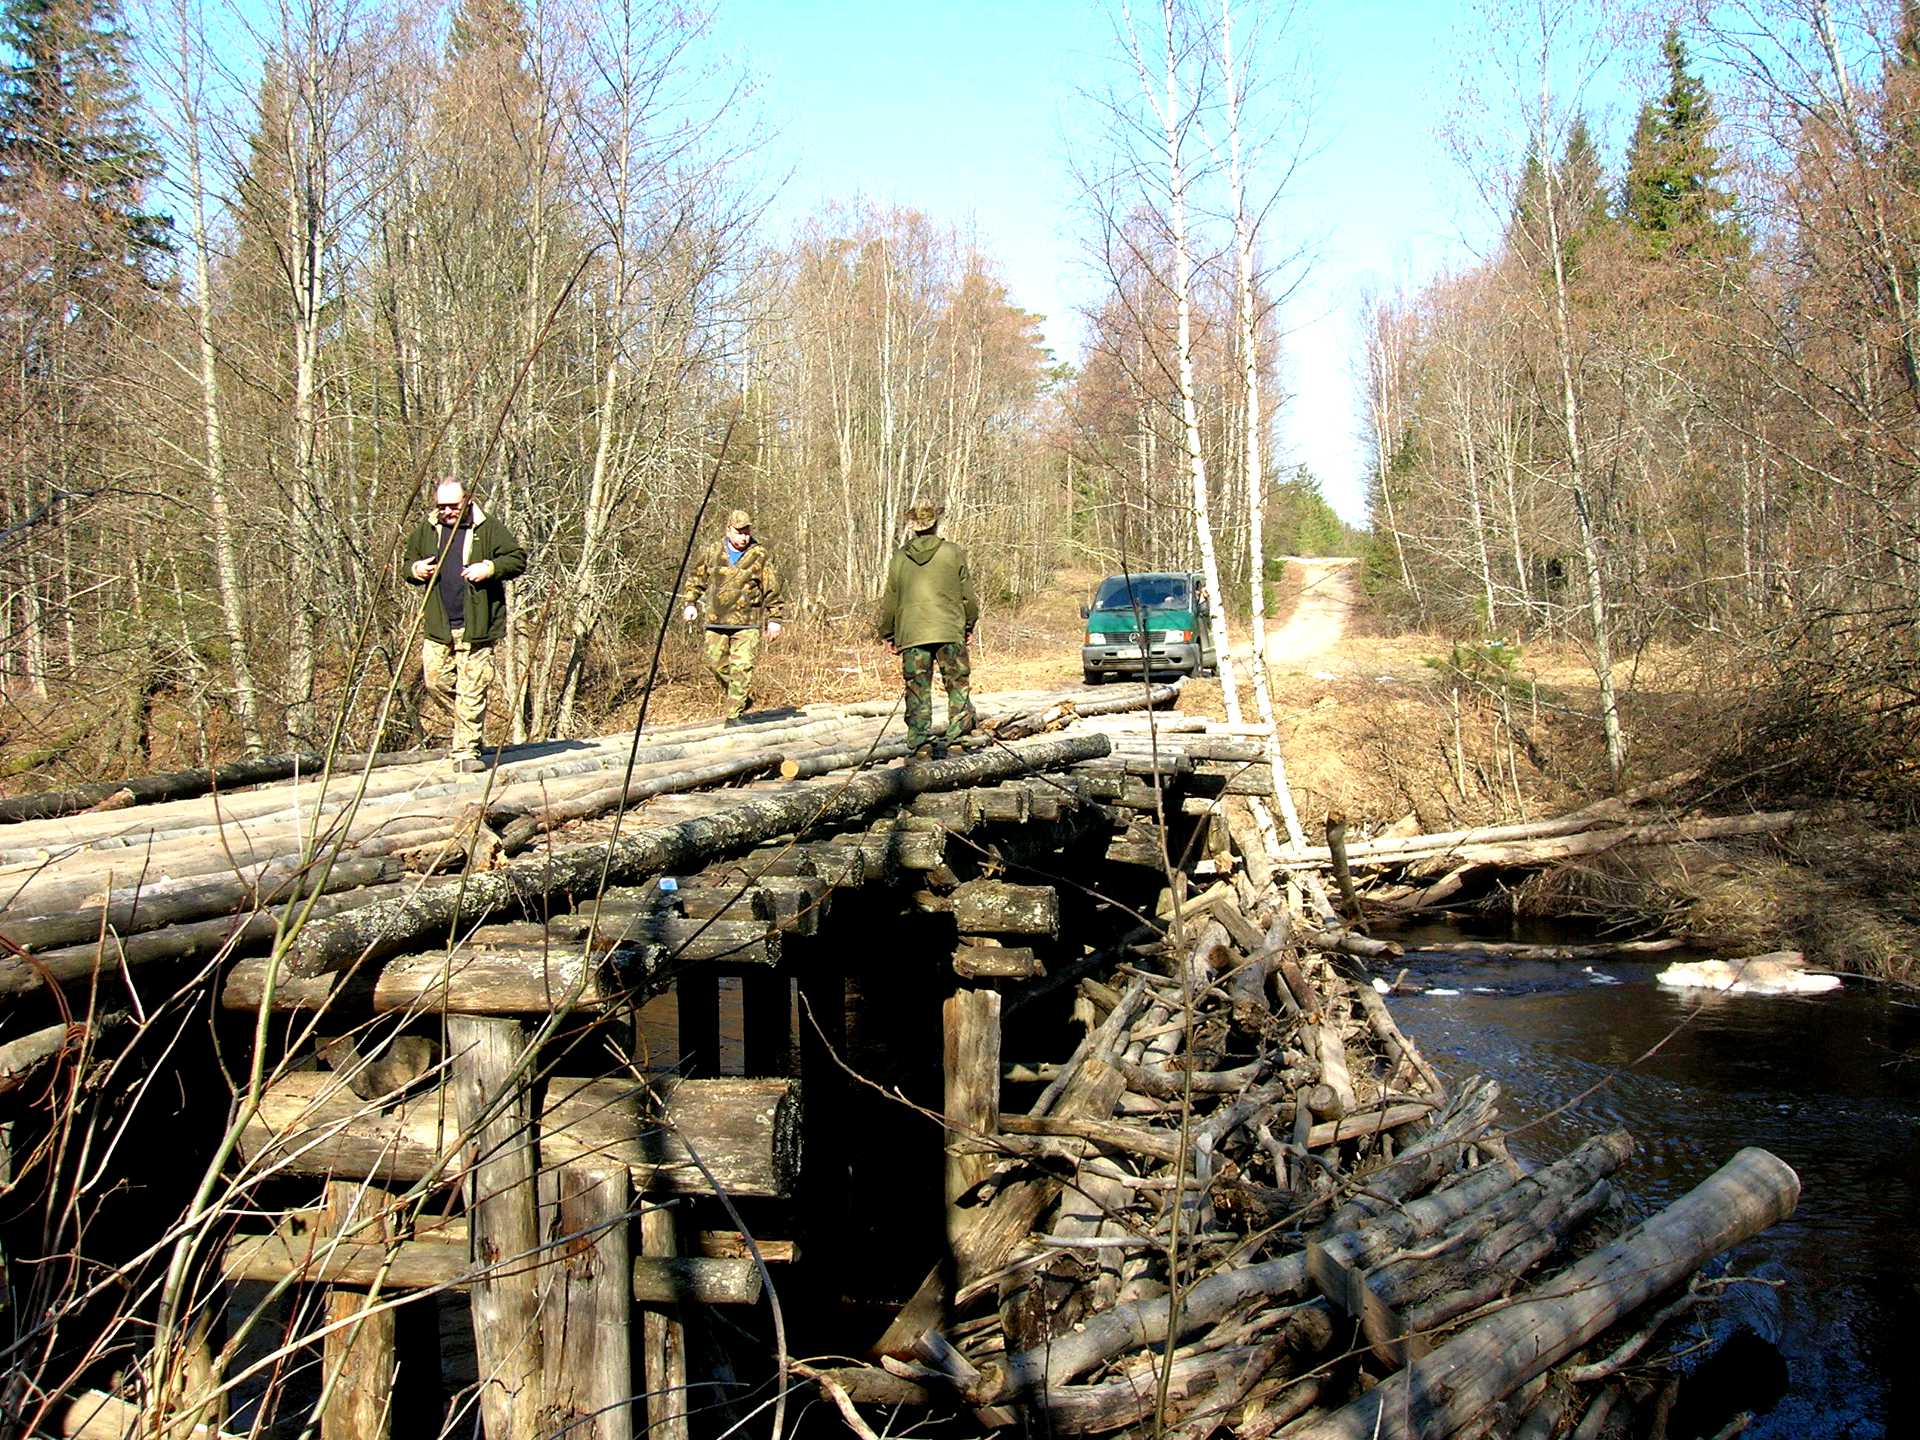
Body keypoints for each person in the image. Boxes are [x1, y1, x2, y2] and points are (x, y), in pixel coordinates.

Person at [404, 479, 527, 772]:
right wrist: (416, 569)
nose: (446, 511)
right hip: (439, 622)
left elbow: (517, 559)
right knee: (436, 680)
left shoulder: (487, 528)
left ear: (467, 500)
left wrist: (490, 568)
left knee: (472, 687)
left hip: (477, 623)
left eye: (453, 506)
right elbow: (407, 562)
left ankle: (465, 752)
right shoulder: (428, 530)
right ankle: (469, 733)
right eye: (441, 506)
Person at [876, 498, 979, 759]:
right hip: (948, 629)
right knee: (957, 685)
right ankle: (958, 740)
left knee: (917, 688)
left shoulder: (899, 558)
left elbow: (890, 599)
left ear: (913, 526)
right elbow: (968, 596)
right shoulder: (952, 552)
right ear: (936, 523)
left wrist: (888, 633)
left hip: (913, 633)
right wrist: (968, 625)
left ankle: (921, 744)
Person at [682, 508, 784, 723]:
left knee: (742, 667)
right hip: (716, 621)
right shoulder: (712, 551)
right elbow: (696, 579)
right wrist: (690, 603)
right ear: (728, 530)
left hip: (748, 622)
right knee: (715, 664)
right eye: (739, 532)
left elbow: (772, 588)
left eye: (747, 532)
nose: (744, 536)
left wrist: (774, 618)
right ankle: (741, 696)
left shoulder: (759, 555)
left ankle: (734, 714)